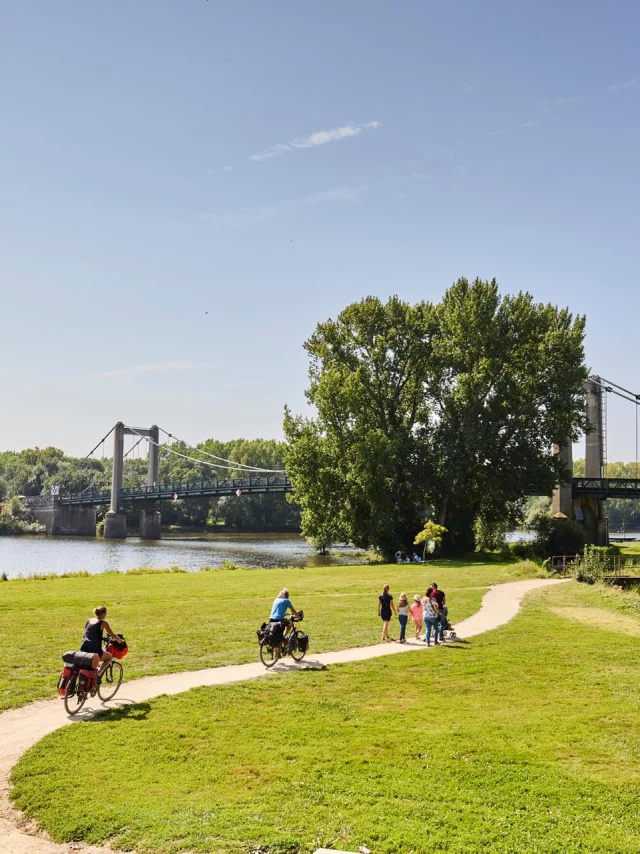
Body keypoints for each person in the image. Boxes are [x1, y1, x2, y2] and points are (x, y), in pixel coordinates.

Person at [80, 606, 122, 676]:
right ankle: (98, 673)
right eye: (106, 613)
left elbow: (88, 633)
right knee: (109, 657)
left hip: (83, 648)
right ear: (103, 614)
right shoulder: (103, 623)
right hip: (95, 650)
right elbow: (112, 635)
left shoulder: (89, 620)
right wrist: (120, 640)